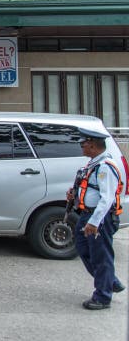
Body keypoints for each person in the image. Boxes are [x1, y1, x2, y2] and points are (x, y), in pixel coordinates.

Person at [67, 127, 125, 310]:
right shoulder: (93, 164)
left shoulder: (105, 167)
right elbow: (89, 189)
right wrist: (74, 195)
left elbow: (106, 198)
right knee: (84, 249)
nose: (81, 147)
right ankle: (110, 282)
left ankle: (102, 297)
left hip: (100, 218)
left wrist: (94, 222)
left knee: (101, 256)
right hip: (87, 214)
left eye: (83, 144)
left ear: (92, 145)